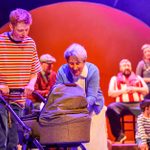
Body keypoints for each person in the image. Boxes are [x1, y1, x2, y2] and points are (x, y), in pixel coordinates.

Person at [0, 8, 41, 150]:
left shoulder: (30, 44)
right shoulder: (1, 42)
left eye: (27, 30)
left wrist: (31, 84)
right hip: (1, 98)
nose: (24, 34)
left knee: (14, 140)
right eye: (20, 30)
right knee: (1, 139)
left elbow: (34, 72)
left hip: (19, 98)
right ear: (11, 26)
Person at [55, 43, 105, 150]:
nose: (75, 67)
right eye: (71, 63)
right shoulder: (62, 71)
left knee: (92, 143)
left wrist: (79, 110)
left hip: (92, 109)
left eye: (78, 63)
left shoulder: (93, 70)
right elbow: (57, 92)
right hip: (71, 110)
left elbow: (92, 96)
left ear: (84, 61)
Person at [106, 59, 149, 143]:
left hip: (137, 104)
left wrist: (135, 89)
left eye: (128, 66)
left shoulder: (138, 78)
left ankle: (140, 138)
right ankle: (119, 135)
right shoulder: (114, 79)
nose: (127, 67)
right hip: (121, 105)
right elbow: (110, 93)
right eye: (124, 66)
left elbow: (146, 90)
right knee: (110, 108)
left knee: (147, 108)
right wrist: (124, 90)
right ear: (120, 68)